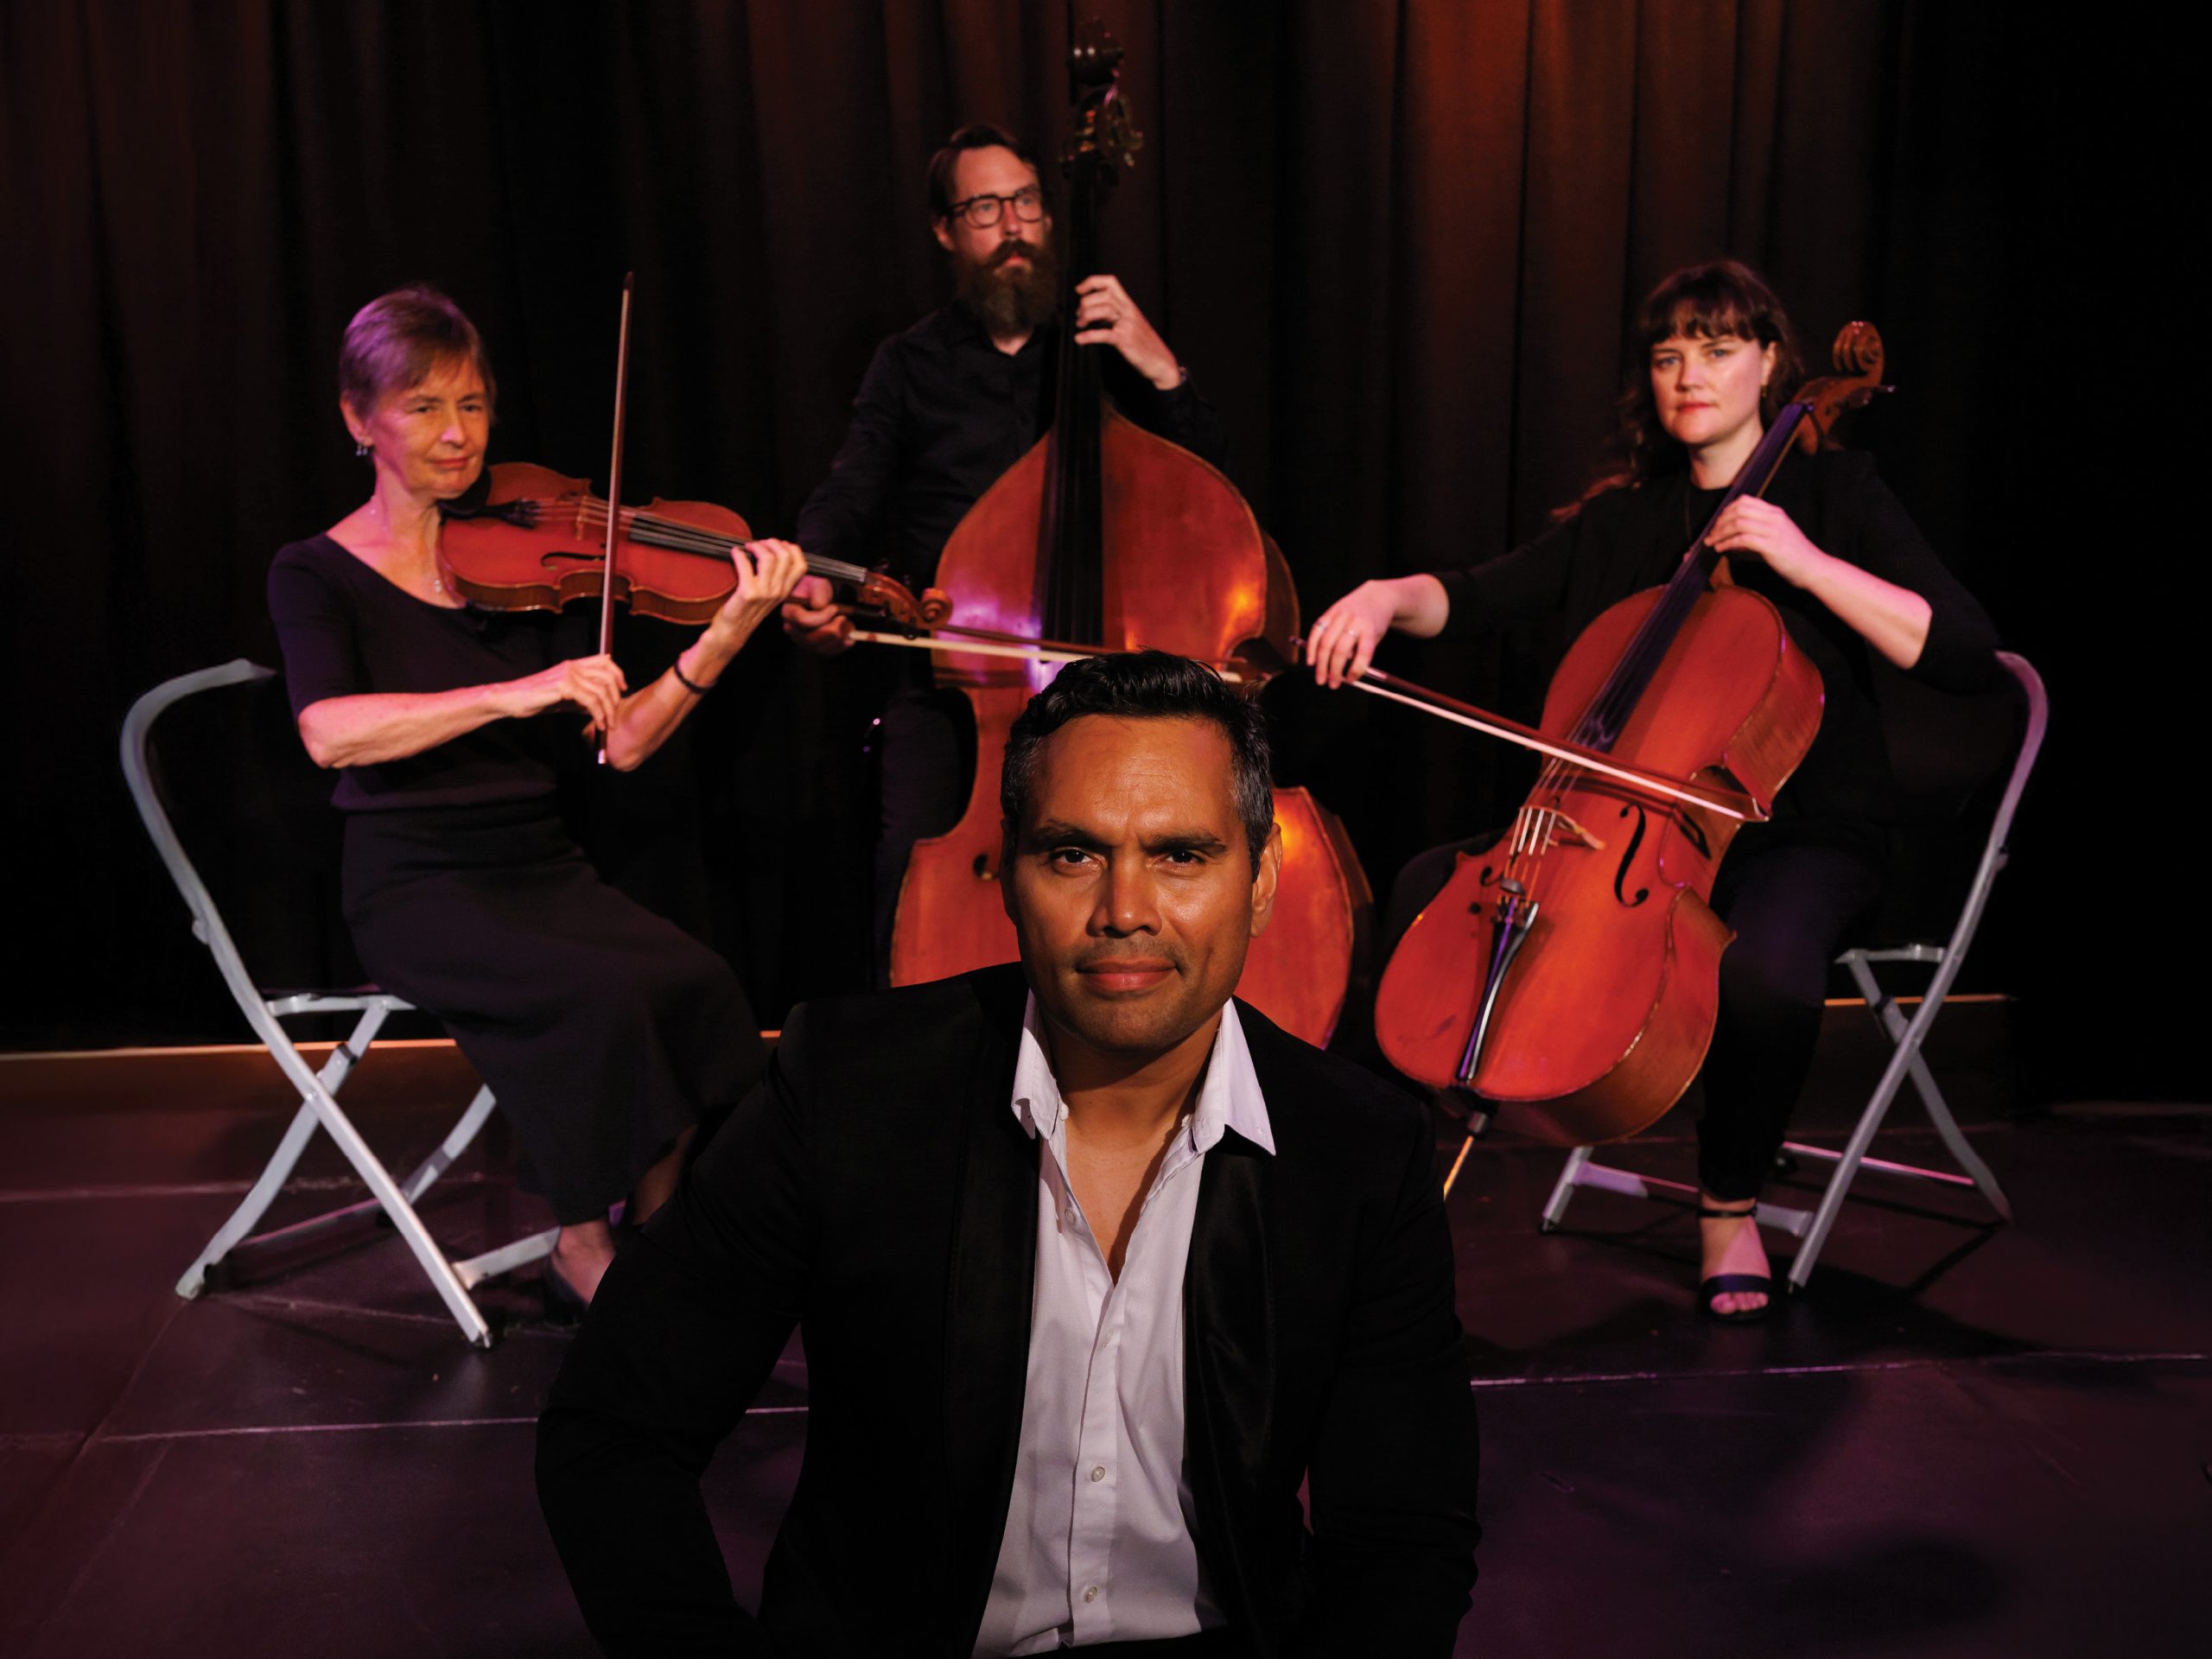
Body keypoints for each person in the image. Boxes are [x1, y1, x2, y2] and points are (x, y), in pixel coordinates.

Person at [537, 652, 1480, 1657]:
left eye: (1181, 856)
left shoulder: (1360, 1150)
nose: (1124, 910)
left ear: (1259, 882)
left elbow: (1402, 1539)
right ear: (1006, 873)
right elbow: (617, 1427)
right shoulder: (847, 1090)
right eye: (1074, 854)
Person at [1305, 260, 2002, 1323]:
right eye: (1670, 353)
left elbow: (1959, 651)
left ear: (1772, 363)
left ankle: (1727, 1206)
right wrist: (1379, 597)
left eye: (1718, 348)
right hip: (1623, 834)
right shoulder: (1626, 520)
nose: (1690, 373)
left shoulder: (1835, 498)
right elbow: (1479, 596)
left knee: (1764, 973)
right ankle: (1382, 1182)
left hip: (1798, 831)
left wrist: (1806, 563)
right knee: (1417, 892)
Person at [266, 286, 806, 1311]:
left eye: (473, 405)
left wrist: (731, 625)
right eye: (423, 407)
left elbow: (629, 742)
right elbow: (328, 732)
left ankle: (658, 1229)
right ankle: (577, 1240)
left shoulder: (523, 555)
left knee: (695, 983)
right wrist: (517, 690)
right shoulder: (316, 573)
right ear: (357, 420)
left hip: (539, 867)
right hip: (418, 885)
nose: (457, 434)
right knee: (601, 1002)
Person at [779, 122, 1230, 980]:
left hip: (1107, 671)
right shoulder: (909, 364)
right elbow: (850, 490)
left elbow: (1211, 495)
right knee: (910, 869)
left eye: (1024, 202)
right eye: (984, 208)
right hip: (956, 676)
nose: (1012, 226)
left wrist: (1159, 365)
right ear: (948, 231)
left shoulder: (1103, 348)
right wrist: (812, 569)